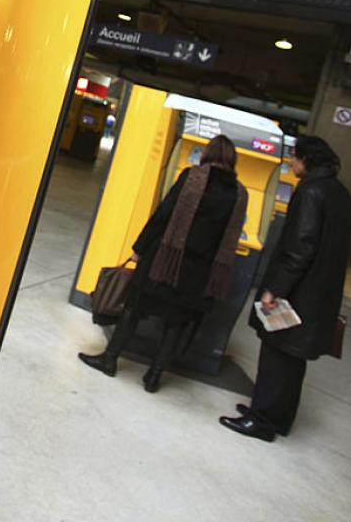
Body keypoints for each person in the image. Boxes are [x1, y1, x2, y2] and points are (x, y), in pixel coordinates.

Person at [80, 134, 248, 392]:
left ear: (208, 154)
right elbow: (230, 236)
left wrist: (139, 248)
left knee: (134, 309)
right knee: (176, 323)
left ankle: (109, 359)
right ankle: (154, 376)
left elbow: (163, 214)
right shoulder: (239, 194)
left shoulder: (192, 178)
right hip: (199, 273)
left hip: (163, 261)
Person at [220, 136, 351, 442]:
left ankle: (261, 420)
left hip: (297, 293)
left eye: (294, 157)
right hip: (319, 296)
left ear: (307, 160)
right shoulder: (340, 194)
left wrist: (274, 290)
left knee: (275, 356)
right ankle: (279, 418)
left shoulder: (311, 192)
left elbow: (300, 248)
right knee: (294, 362)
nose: (291, 163)